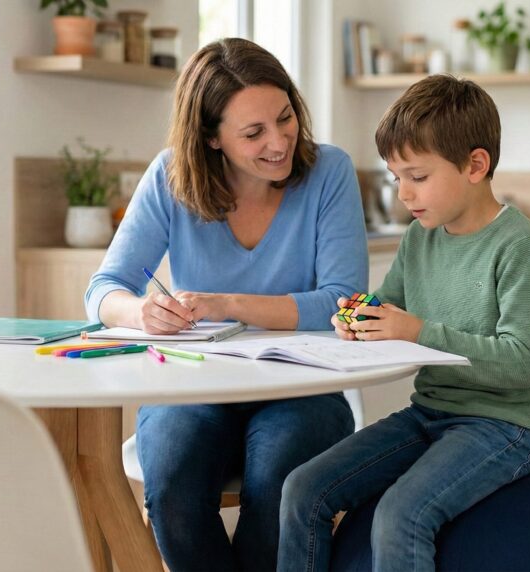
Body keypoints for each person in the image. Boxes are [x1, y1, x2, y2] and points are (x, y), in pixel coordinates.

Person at [84, 38, 368, 572]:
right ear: (211, 138)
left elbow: (342, 301)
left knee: (280, 487)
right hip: (195, 383)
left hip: (302, 388)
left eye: (285, 118)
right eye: (254, 132)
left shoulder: (329, 171)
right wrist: (139, 311)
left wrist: (225, 303)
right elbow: (104, 289)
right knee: (171, 489)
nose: (280, 142)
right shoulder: (171, 178)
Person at [277, 75, 530, 572]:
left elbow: (521, 365)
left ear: (476, 165)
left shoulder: (521, 249)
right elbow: (388, 307)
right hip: (431, 412)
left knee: (401, 514)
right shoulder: (420, 238)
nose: (404, 194)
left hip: (506, 426)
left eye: (418, 176)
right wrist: (358, 318)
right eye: (396, 178)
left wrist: (416, 331)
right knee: (303, 489)